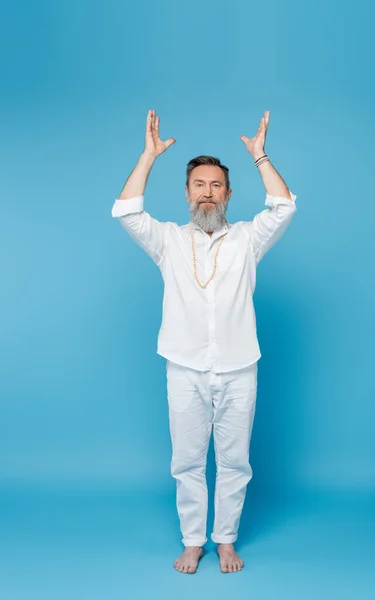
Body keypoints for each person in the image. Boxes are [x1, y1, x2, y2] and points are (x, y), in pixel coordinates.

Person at [111, 109, 297, 574]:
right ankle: (194, 541)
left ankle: (227, 540)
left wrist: (259, 156)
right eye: (199, 184)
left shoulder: (248, 240)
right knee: (188, 461)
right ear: (188, 192)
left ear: (229, 194)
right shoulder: (168, 241)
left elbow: (285, 206)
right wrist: (149, 156)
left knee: (234, 462)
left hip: (239, 368)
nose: (208, 193)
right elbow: (126, 210)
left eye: (216, 186)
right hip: (184, 367)